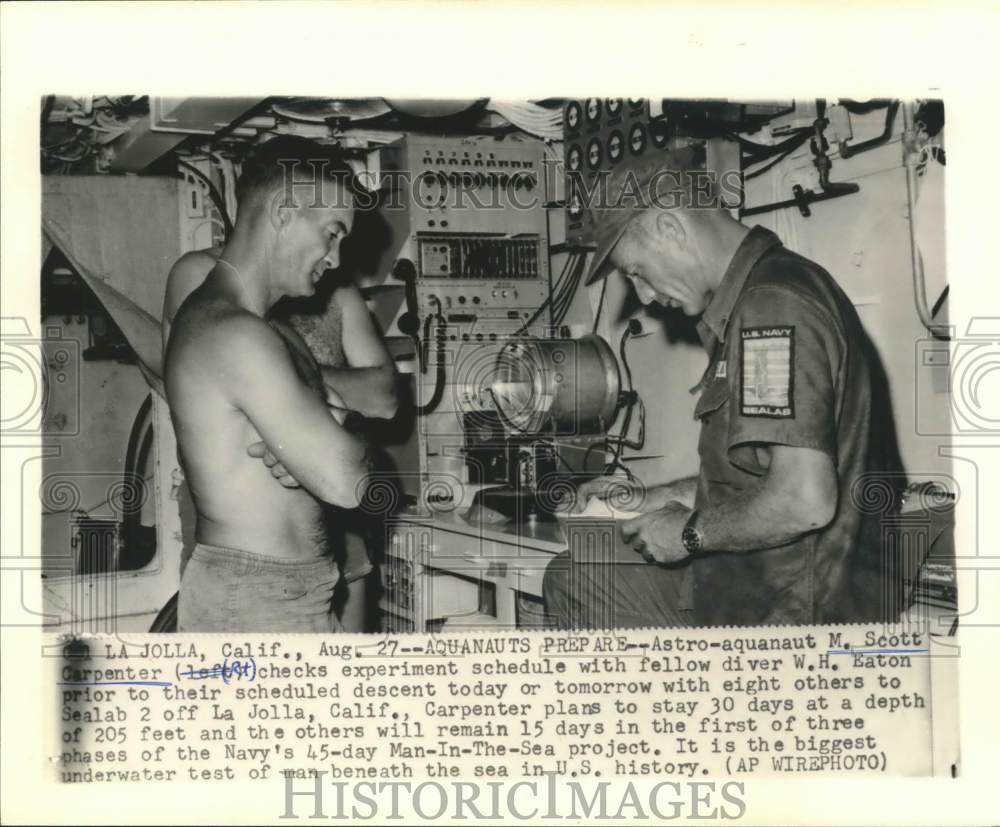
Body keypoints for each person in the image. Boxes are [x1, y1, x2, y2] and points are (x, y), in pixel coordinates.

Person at [543, 150, 903, 629]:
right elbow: (761, 479)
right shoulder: (770, 290)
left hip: (795, 608)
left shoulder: (771, 307)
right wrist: (646, 499)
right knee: (575, 573)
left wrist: (688, 534)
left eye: (635, 271)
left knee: (577, 578)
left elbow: (803, 501)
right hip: (778, 585)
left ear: (670, 228)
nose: (645, 297)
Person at [164, 137, 381, 632]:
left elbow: (348, 440)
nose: (337, 257)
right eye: (332, 233)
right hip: (255, 600)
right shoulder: (233, 332)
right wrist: (343, 441)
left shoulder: (271, 330)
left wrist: (345, 437)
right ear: (284, 211)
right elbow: (347, 481)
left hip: (291, 591)